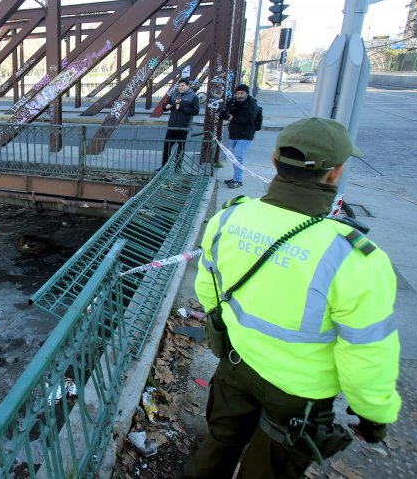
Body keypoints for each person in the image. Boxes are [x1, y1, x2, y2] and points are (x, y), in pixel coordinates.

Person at [185, 117, 401, 479]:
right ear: (335, 173)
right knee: (268, 468)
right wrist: (374, 414)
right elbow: (367, 352)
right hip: (299, 394)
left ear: (274, 162)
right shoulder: (353, 257)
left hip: (235, 366)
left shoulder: (229, 218)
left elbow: (208, 289)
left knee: (219, 443)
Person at [222, 84, 260, 188]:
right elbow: (225, 115)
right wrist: (225, 110)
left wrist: (232, 119)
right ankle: (235, 178)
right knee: (233, 157)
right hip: (234, 134)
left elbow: (250, 119)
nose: (239, 95)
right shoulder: (235, 103)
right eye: (238, 93)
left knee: (238, 158)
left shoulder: (252, 104)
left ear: (247, 94)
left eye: (242, 93)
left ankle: (238, 180)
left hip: (245, 135)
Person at [161, 78, 201, 170]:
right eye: (179, 86)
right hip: (172, 126)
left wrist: (181, 108)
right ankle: (164, 167)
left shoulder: (193, 97)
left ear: (188, 86)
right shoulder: (174, 95)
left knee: (180, 148)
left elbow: (195, 111)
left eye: (183, 85)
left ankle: (177, 167)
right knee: (167, 146)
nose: (180, 87)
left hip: (183, 126)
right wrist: (166, 106)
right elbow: (165, 106)